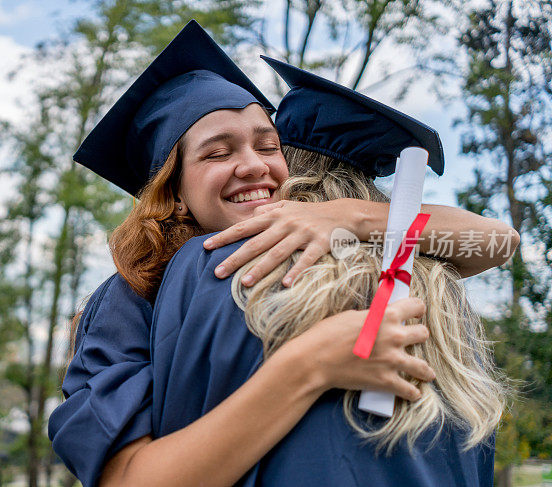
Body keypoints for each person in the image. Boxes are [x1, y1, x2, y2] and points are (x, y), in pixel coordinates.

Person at [48, 22, 518, 487]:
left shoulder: (339, 246)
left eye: (267, 145)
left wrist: (350, 216)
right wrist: (310, 365)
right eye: (216, 153)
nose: (254, 165)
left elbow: (497, 241)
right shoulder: (134, 297)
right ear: (173, 193)